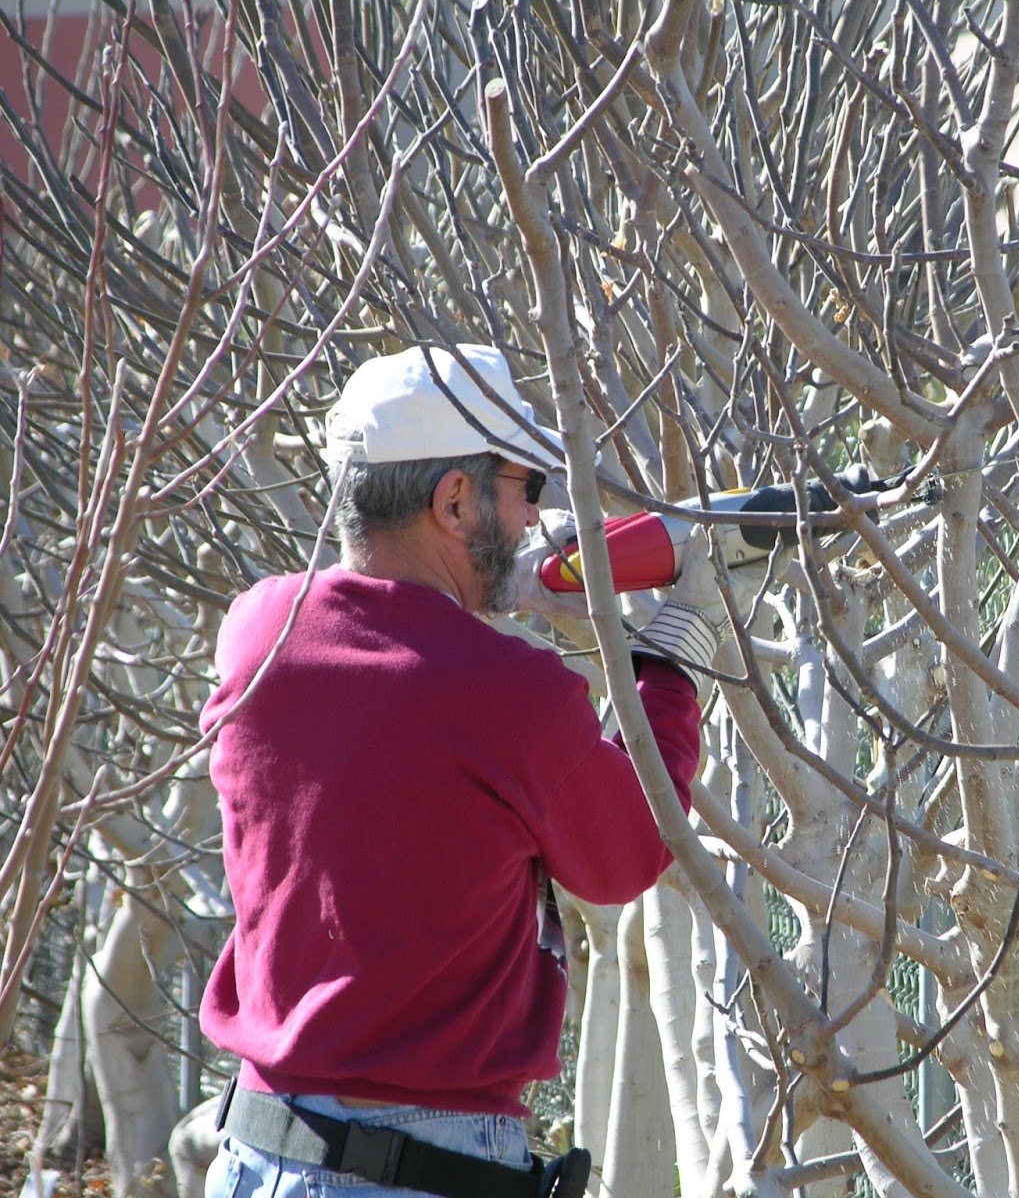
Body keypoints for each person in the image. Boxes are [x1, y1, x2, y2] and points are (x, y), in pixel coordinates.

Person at [200, 343, 729, 1198]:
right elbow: (626, 853)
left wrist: (480, 594)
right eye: (525, 489)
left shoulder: (257, 628)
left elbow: (385, 653)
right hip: (422, 1166)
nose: (530, 520)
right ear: (454, 499)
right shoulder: (507, 693)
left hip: (260, 1149)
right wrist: (671, 657)